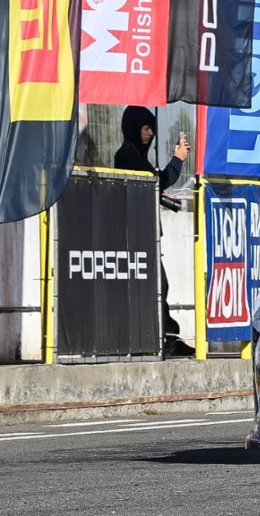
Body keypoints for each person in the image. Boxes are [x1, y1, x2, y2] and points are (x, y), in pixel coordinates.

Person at [111, 106, 195, 357]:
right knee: (158, 286)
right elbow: (156, 180)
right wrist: (178, 160)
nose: (150, 134)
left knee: (158, 286)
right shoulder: (127, 155)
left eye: (151, 129)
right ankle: (165, 338)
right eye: (146, 129)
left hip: (143, 233)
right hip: (136, 234)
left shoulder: (135, 155)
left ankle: (161, 337)